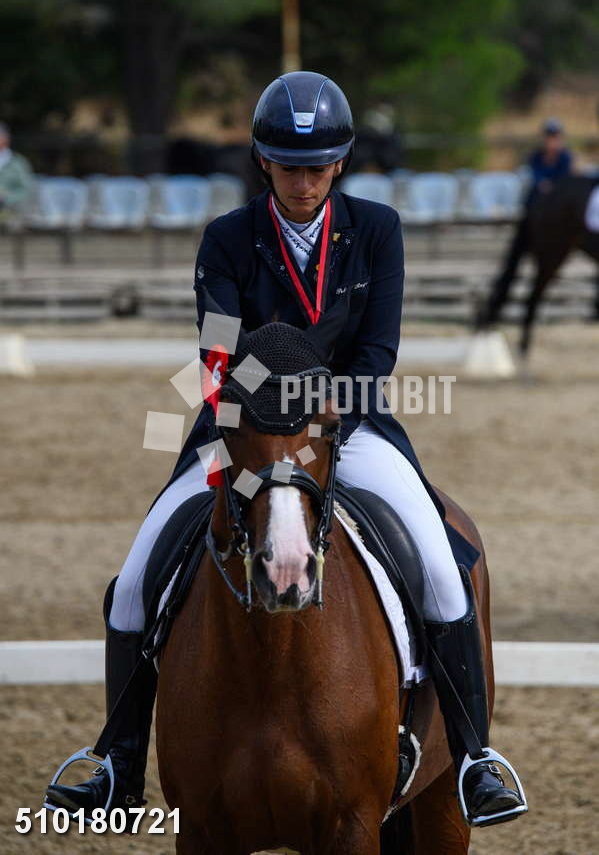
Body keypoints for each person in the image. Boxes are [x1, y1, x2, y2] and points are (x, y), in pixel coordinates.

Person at [46, 72, 526, 827]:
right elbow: (215, 356)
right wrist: (270, 405)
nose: (303, 183)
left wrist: (315, 405)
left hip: (348, 427)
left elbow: (376, 354)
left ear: (340, 163)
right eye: (289, 167)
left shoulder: (376, 229)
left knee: (443, 568)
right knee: (135, 580)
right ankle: (118, 760)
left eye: (318, 167)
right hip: (240, 431)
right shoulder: (227, 238)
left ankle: (473, 759)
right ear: (263, 162)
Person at [476, 117, 572, 329]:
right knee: (515, 261)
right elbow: (537, 181)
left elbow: (563, 183)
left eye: (555, 136)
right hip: (533, 215)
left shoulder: (565, 158)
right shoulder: (536, 156)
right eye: (549, 136)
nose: (551, 140)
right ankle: (497, 309)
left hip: (554, 219)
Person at [0, 122, 34, 223]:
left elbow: (27, 189)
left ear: (6, 139)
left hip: (11, 210)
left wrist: (6, 197)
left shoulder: (18, 163)